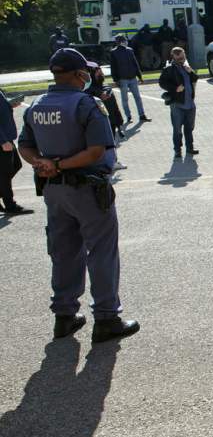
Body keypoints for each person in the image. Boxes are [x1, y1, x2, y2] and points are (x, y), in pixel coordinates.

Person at [17, 48, 139, 342]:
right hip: (87, 189)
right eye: (84, 72)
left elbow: (24, 145)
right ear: (78, 74)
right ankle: (107, 318)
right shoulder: (88, 104)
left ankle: (65, 316)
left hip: (55, 191)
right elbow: (96, 151)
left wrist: (43, 164)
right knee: (101, 251)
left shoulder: (36, 105)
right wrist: (58, 164)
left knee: (63, 252)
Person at [85, 62, 126, 173]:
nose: (101, 73)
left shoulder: (106, 87)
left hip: (111, 121)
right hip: (98, 122)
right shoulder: (88, 91)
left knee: (112, 143)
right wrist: (99, 96)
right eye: (98, 72)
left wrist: (120, 120)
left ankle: (113, 162)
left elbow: (114, 106)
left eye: (101, 71)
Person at [159, 47, 200, 159]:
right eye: (180, 57)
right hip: (177, 104)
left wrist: (190, 71)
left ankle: (190, 148)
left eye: (183, 56)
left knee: (189, 128)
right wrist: (175, 88)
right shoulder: (169, 69)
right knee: (177, 129)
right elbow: (162, 83)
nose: (182, 59)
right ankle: (177, 150)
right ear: (174, 57)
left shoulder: (186, 66)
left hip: (190, 104)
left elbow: (195, 78)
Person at [0, 90, 31, 216]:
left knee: (16, 165)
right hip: (3, 140)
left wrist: (9, 104)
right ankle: (10, 205)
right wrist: (2, 141)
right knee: (4, 173)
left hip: (6, 137)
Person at [108, 35, 151, 124]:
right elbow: (114, 67)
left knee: (134, 98)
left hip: (129, 78)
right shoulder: (114, 52)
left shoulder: (129, 50)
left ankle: (139, 115)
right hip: (124, 78)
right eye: (125, 40)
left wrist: (139, 76)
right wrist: (116, 79)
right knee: (127, 99)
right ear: (121, 42)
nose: (126, 42)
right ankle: (130, 116)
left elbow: (134, 64)